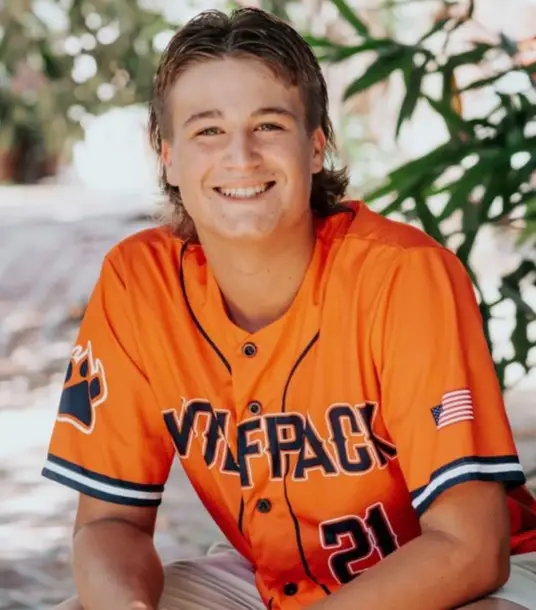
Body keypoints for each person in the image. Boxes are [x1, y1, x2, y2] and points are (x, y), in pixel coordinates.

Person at [42, 7, 536, 610]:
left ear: (315, 145)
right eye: (207, 130)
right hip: (275, 582)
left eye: (269, 125)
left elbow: (470, 549)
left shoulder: (403, 274)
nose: (241, 156)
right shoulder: (139, 281)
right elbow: (108, 523)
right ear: (167, 156)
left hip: (475, 582)